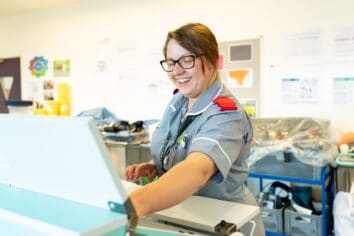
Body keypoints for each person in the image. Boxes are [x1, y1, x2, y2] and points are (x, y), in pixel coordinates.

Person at [126, 22, 265, 235]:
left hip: (222, 222)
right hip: (183, 216)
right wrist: (160, 166)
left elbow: (197, 170)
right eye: (171, 62)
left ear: (211, 60)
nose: (177, 71)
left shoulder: (226, 113)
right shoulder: (178, 103)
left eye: (187, 60)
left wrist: (132, 205)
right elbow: (181, 148)